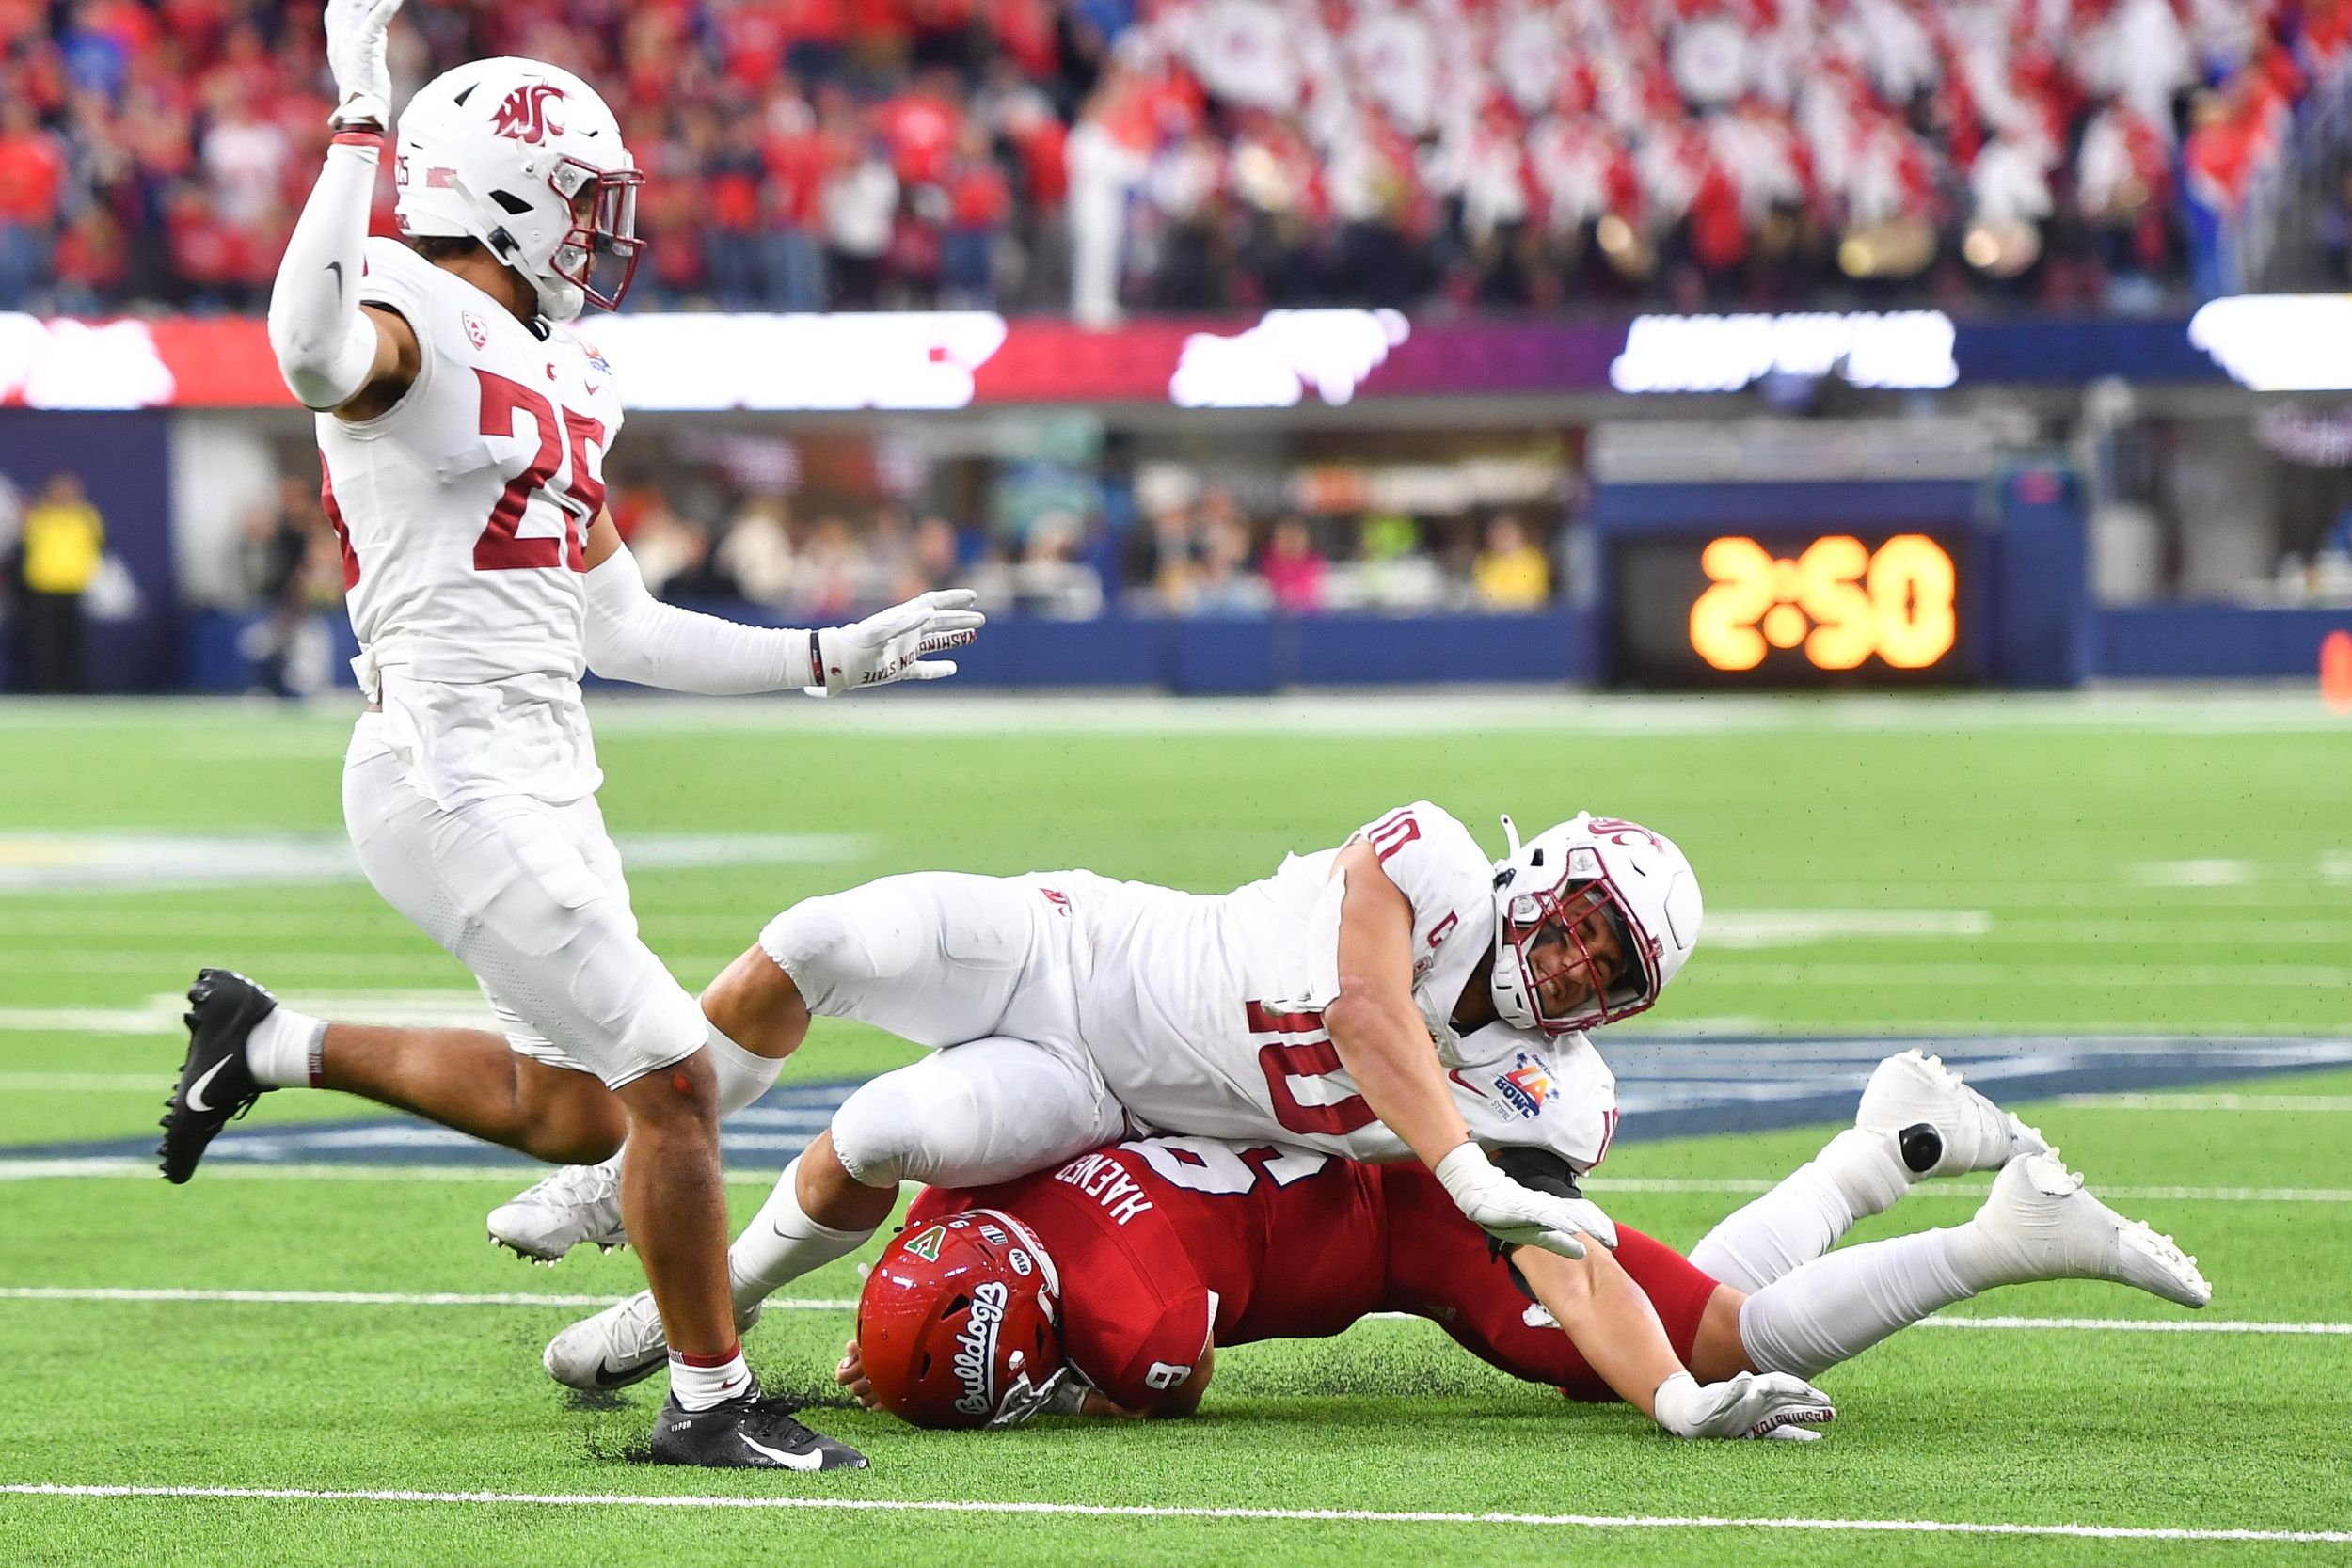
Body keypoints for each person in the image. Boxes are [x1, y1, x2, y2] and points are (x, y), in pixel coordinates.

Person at [155, 0, 983, 1473]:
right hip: (442, 766)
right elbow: (300, 348)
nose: (607, 234)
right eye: (586, 203)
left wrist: (825, 655)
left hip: (547, 764)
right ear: (503, 192)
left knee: (568, 1110)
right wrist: (357, 109)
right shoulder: (404, 306)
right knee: (675, 1083)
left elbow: (627, 627)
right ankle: (711, 1399)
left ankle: (270, 1039)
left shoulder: (569, 370)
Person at [536, 801, 1791, 1388]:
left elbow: (1567, 1258)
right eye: (1579, 923)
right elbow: (1365, 1011)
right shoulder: (1439, 861)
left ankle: (691, 1310)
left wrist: (1678, 1396)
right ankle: (623, 1164)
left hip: (1099, 1098)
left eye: (1604, 965)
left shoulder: (1550, 1093)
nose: (1570, 960)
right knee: (823, 937)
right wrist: (1457, 1162)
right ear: (1540, 874)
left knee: (879, 1130)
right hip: (1078, 947)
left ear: (1615, 1004)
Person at [835, 1064, 2209, 1433]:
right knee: (1691, 1307)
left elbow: (1154, 1368)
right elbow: (945, 1259)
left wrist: (1050, 1372)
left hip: (1428, 1220)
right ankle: (1881, 1147)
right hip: (1371, 1158)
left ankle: (2004, 1239)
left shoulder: (1130, 1325)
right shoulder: (963, 1195)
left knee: (1706, 1342)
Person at [17, 471, 105, 693]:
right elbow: (24, 539)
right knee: (44, 644)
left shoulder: (87, 516)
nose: (64, 494)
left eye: (69, 489)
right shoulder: (40, 515)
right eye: (59, 489)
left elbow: (100, 545)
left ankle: (72, 689)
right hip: (43, 589)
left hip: (74, 588)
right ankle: (46, 689)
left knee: (73, 642)